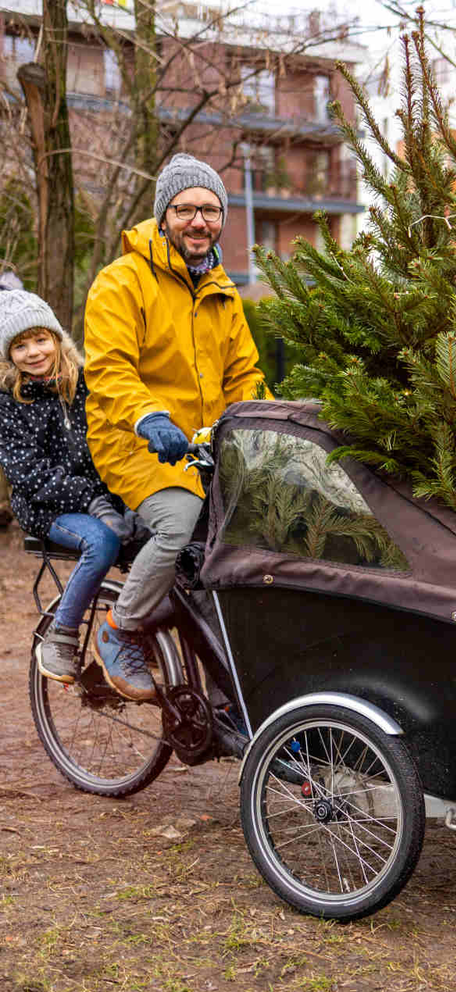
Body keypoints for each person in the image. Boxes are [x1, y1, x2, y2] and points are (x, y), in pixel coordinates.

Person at [84, 152, 268, 702]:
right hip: (132, 440)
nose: (198, 221)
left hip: (202, 446)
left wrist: (267, 427)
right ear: (164, 215)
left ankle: (226, 681)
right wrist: (148, 416)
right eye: (185, 208)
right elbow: (108, 368)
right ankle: (121, 627)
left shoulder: (221, 290)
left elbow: (245, 374)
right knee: (182, 519)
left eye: (210, 211)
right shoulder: (122, 282)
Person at [0, 291, 138, 686]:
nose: (34, 352)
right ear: (10, 356)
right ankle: (60, 635)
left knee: (159, 534)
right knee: (102, 541)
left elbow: (113, 442)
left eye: (40, 339)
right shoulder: (10, 401)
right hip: (45, 504)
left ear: (57, 338)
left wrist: (126, 496)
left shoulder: (86, 383)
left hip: (102, 496)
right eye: (20, 346)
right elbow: (29, 473)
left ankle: (135, 635)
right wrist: (92, 501)